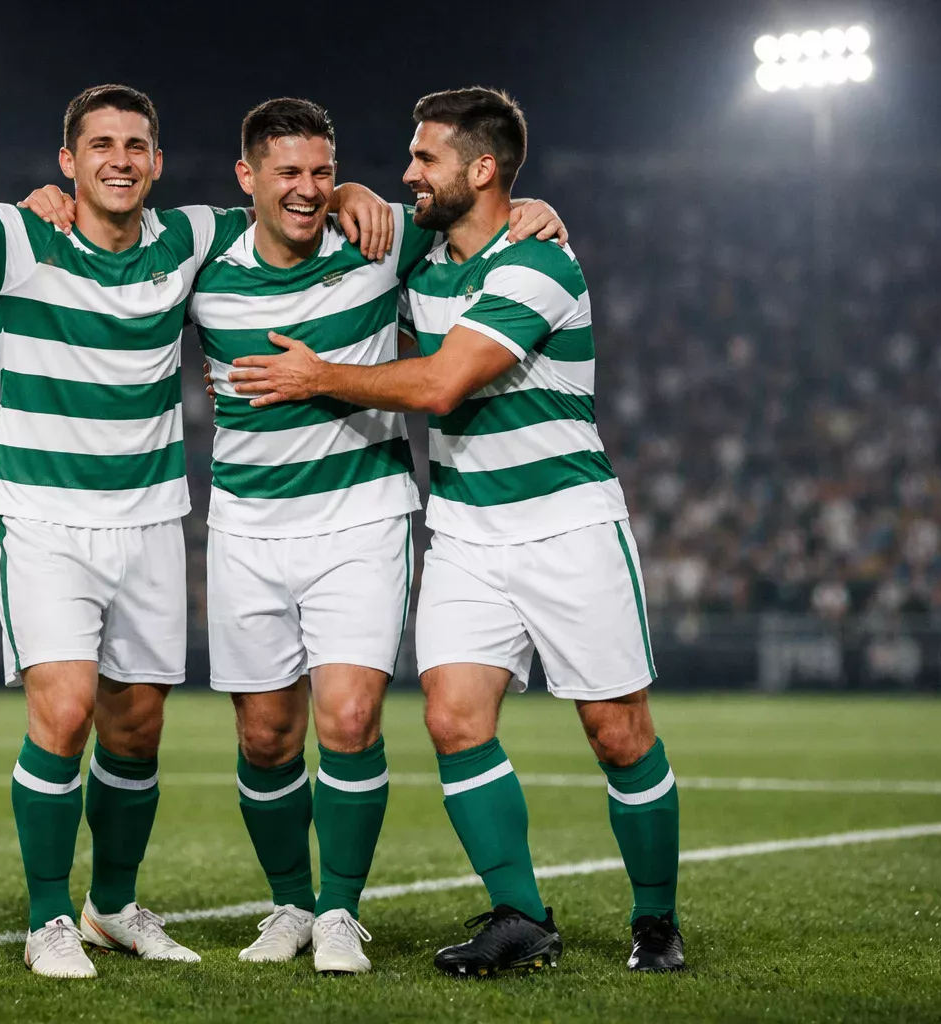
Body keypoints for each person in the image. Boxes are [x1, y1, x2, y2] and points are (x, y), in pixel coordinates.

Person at [23, 97, 565, 975]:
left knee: (349, 718)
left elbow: (478, 221)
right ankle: (290, 903)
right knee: (266, 738)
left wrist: (535, 209)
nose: (310, 190)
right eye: (289, 174)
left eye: (324, 170)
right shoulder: (203, 265)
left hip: (361, 515)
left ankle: (341, 911)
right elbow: (112, 234)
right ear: (248, 181)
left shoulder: (381, 238)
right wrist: (54, 200)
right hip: (245, 524)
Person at [0, 41, 386, 979]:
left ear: (157, 164)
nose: (120, 157)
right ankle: (48, 919)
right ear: (67, 162)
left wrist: (356, 191)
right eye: (101, 144)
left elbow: (290, 202)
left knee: (136, 728)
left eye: (137, 145)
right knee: (65, 711)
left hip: (155, 519)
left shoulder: (189, 239)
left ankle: (112, 904)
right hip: (42, 517)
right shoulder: (22, 239)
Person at [228, 87, 685, 976]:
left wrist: (320, 377)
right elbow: (340, 203)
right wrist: (354, 188)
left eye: (426, 157)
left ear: (482, 169)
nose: (409, 173)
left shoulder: (542, 265)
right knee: (452, 719)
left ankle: (657, 920)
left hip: (567, 525)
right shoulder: (423, 256)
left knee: (618, 731)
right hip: (467, 531)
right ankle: (521, 914)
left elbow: (443, 385)